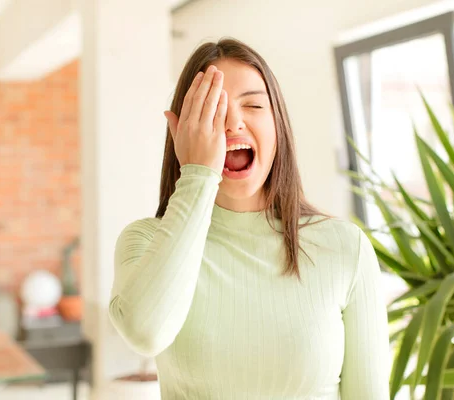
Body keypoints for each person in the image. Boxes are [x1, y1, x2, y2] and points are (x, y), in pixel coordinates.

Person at [109, 38, 390, 399]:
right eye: (212, 110)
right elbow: (145, 332)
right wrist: (197, 175)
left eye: (253, 104)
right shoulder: (146, 241)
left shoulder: (345, 247)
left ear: (278, 123)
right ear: (181, 132)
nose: (234, 123)